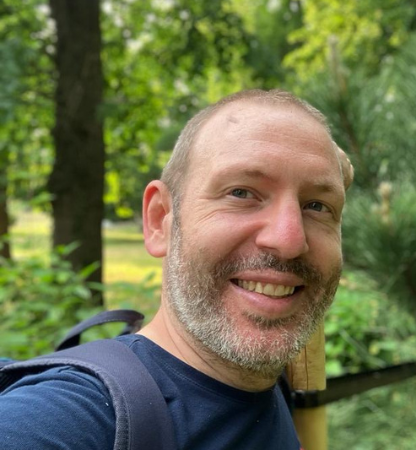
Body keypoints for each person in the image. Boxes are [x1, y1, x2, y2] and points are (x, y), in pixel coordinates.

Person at [0, 89, 354, 449]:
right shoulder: (68, 418)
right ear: (160, 220)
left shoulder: (270, 383)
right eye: (241, 193)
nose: (290, 240)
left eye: (316, 205)